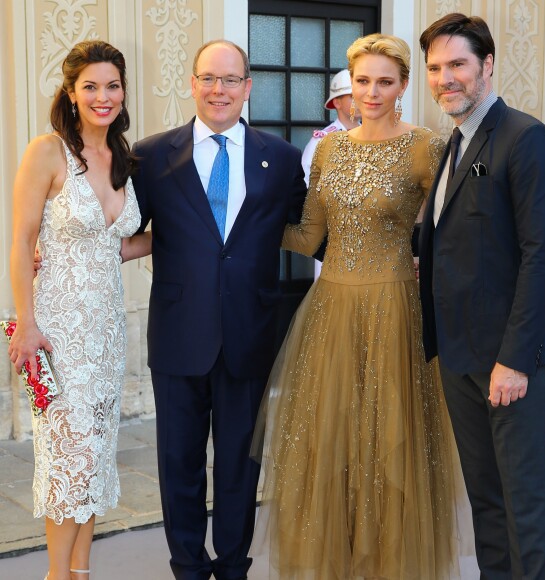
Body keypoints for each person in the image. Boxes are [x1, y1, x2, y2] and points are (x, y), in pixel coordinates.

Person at [252, 33, 464, 580]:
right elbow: (310, 235)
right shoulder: (328, 150)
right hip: (331, 313)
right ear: (349, 85)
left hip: (395, 309)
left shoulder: (425, 147)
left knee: (389, 441)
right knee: (334, 441)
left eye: (384, 82)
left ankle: (388, 564)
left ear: (403, 86)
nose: (371, 93)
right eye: (362, 81)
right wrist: (240, 222)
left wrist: (434, 269)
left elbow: (451, 230)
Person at [122, 40, 308, 580]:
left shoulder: (282, 159)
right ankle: (186, 566)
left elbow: (312, 232)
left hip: (250, 334)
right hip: (180, 336)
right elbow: (121, 227)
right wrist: (63, 249)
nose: (219, 90)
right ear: (193, 83)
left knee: (238, 467)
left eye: (230, 80)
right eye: (209, 78)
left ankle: (232, 567)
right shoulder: (152, 157)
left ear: (248, 88)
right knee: (178, 465)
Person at [418, 13, 545, 580]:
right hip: (460, 358)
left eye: (456, 64)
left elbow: (540, 258)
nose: (444, 78)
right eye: (435, 68)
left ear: (486, 65)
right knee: (486, 501)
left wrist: (513, 360)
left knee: (524, 505)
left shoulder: (525, 139)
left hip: (512, 362)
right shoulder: (452, 144)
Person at [8, 40, 140, 579]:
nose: (102, 96)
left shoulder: (126, 158)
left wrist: (185, 234)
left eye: (111, 85)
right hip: (59, 333)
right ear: (70, 92)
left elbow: (118, 244)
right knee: (69, 462)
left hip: (107, 332)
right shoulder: (47, 150)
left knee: (95, 460)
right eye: (90, 86)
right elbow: (21, 241)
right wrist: (27, 325)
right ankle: (57, 576)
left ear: (123, 91)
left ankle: (82, 572)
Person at [301, 69, 360, 183]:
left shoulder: (376, 136)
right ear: (337, 103)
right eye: (352, 96)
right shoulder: (322, 140)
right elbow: (307, 181)